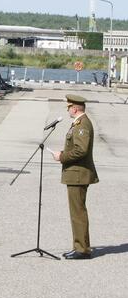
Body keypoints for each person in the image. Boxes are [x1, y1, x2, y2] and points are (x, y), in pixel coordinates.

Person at [52, 94, 99, 260]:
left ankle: (82, 249)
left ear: (75, 108)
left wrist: (62, 156)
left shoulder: (82, 124)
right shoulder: (78, 123)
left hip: (78, 174)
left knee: (78, 212)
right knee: (76, 212)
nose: (68, 110)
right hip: (75, 174)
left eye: (69, 107)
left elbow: (81, 150)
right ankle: (79, 246)